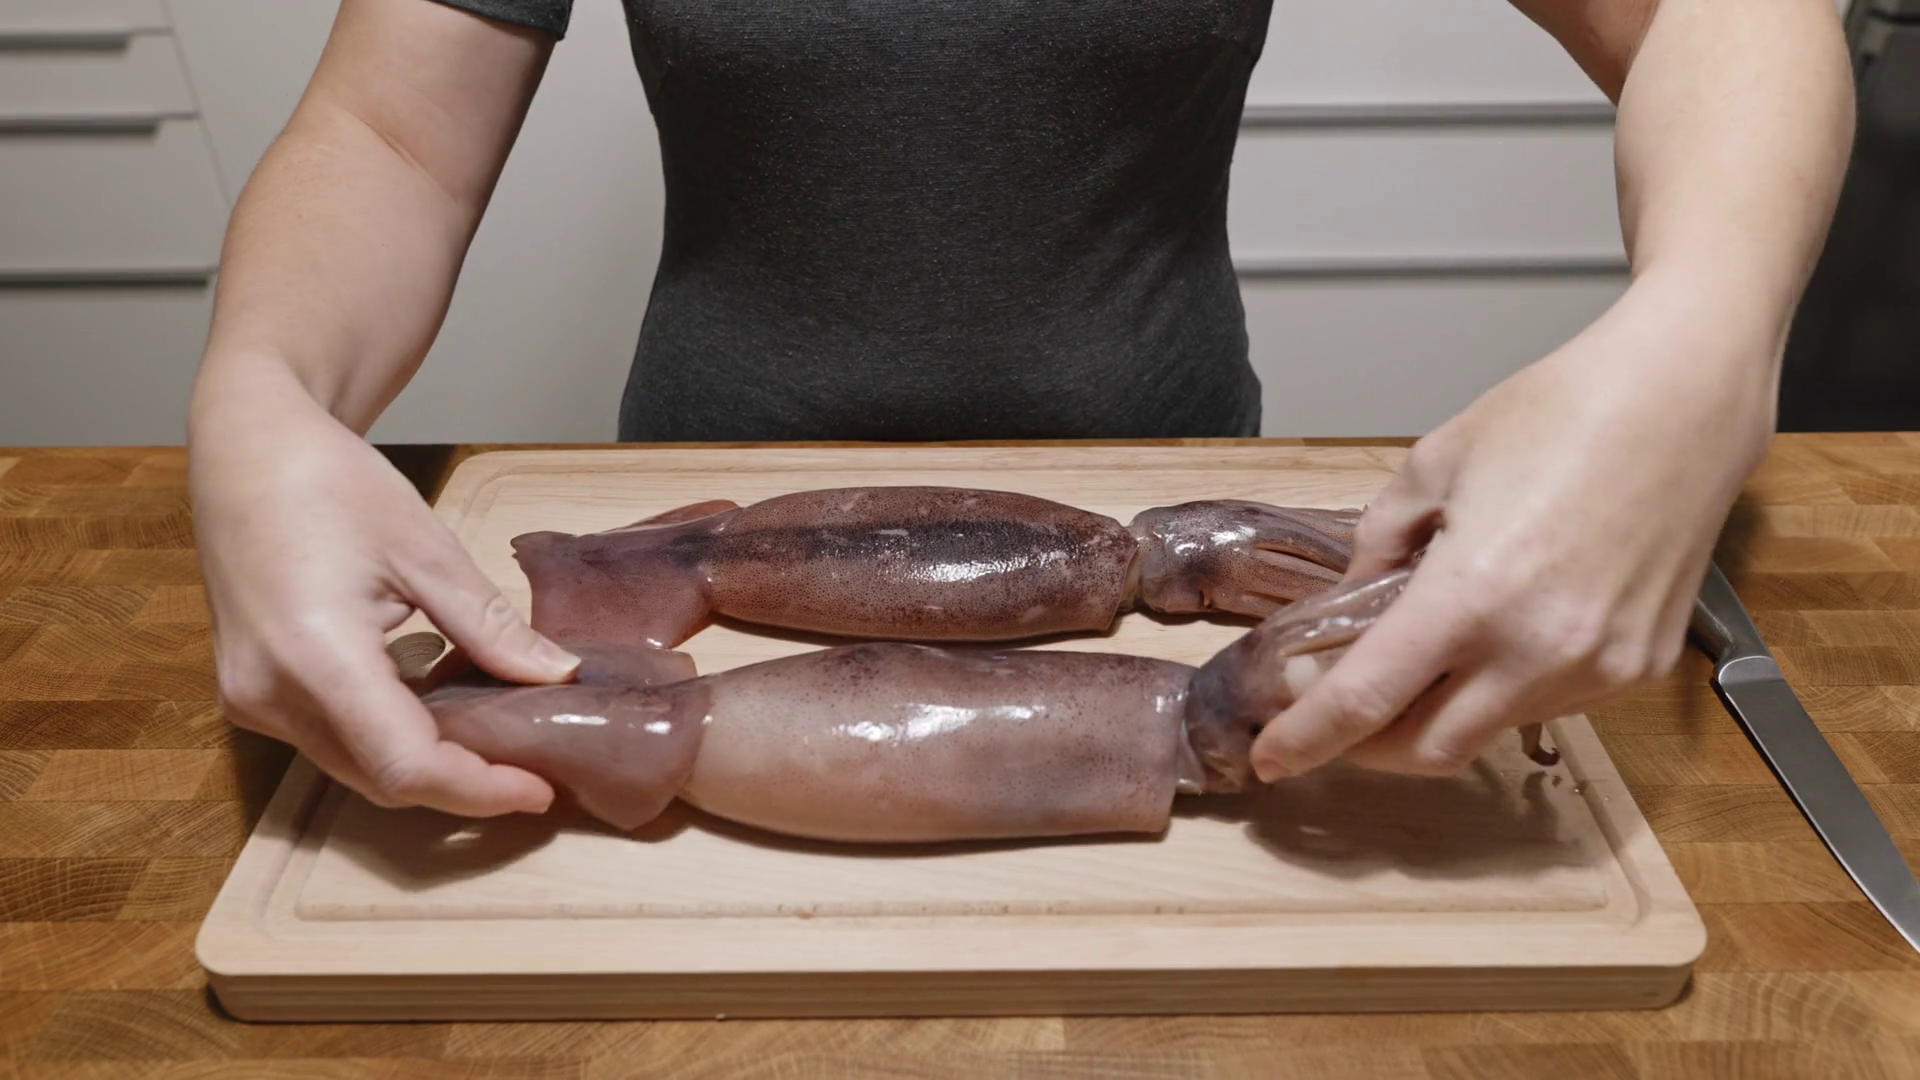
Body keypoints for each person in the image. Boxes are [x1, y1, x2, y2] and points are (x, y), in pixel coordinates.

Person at [186, 0, 1855, 819]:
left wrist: (1700, 342)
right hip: (694, 519)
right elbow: (389, 138)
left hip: (1182, 506)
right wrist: (261, 399)